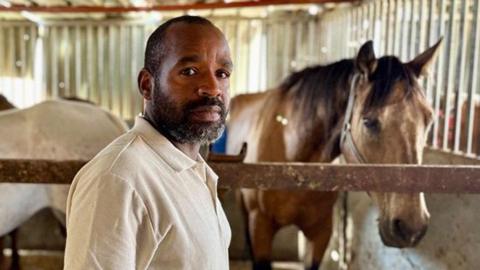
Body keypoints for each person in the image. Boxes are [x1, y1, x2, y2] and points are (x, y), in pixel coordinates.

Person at [64, 15, 233, 269]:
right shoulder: (117, 179)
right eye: (189, 71)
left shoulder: (195, 171)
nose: (212, 87)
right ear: (147, 85)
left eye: (222, 73)